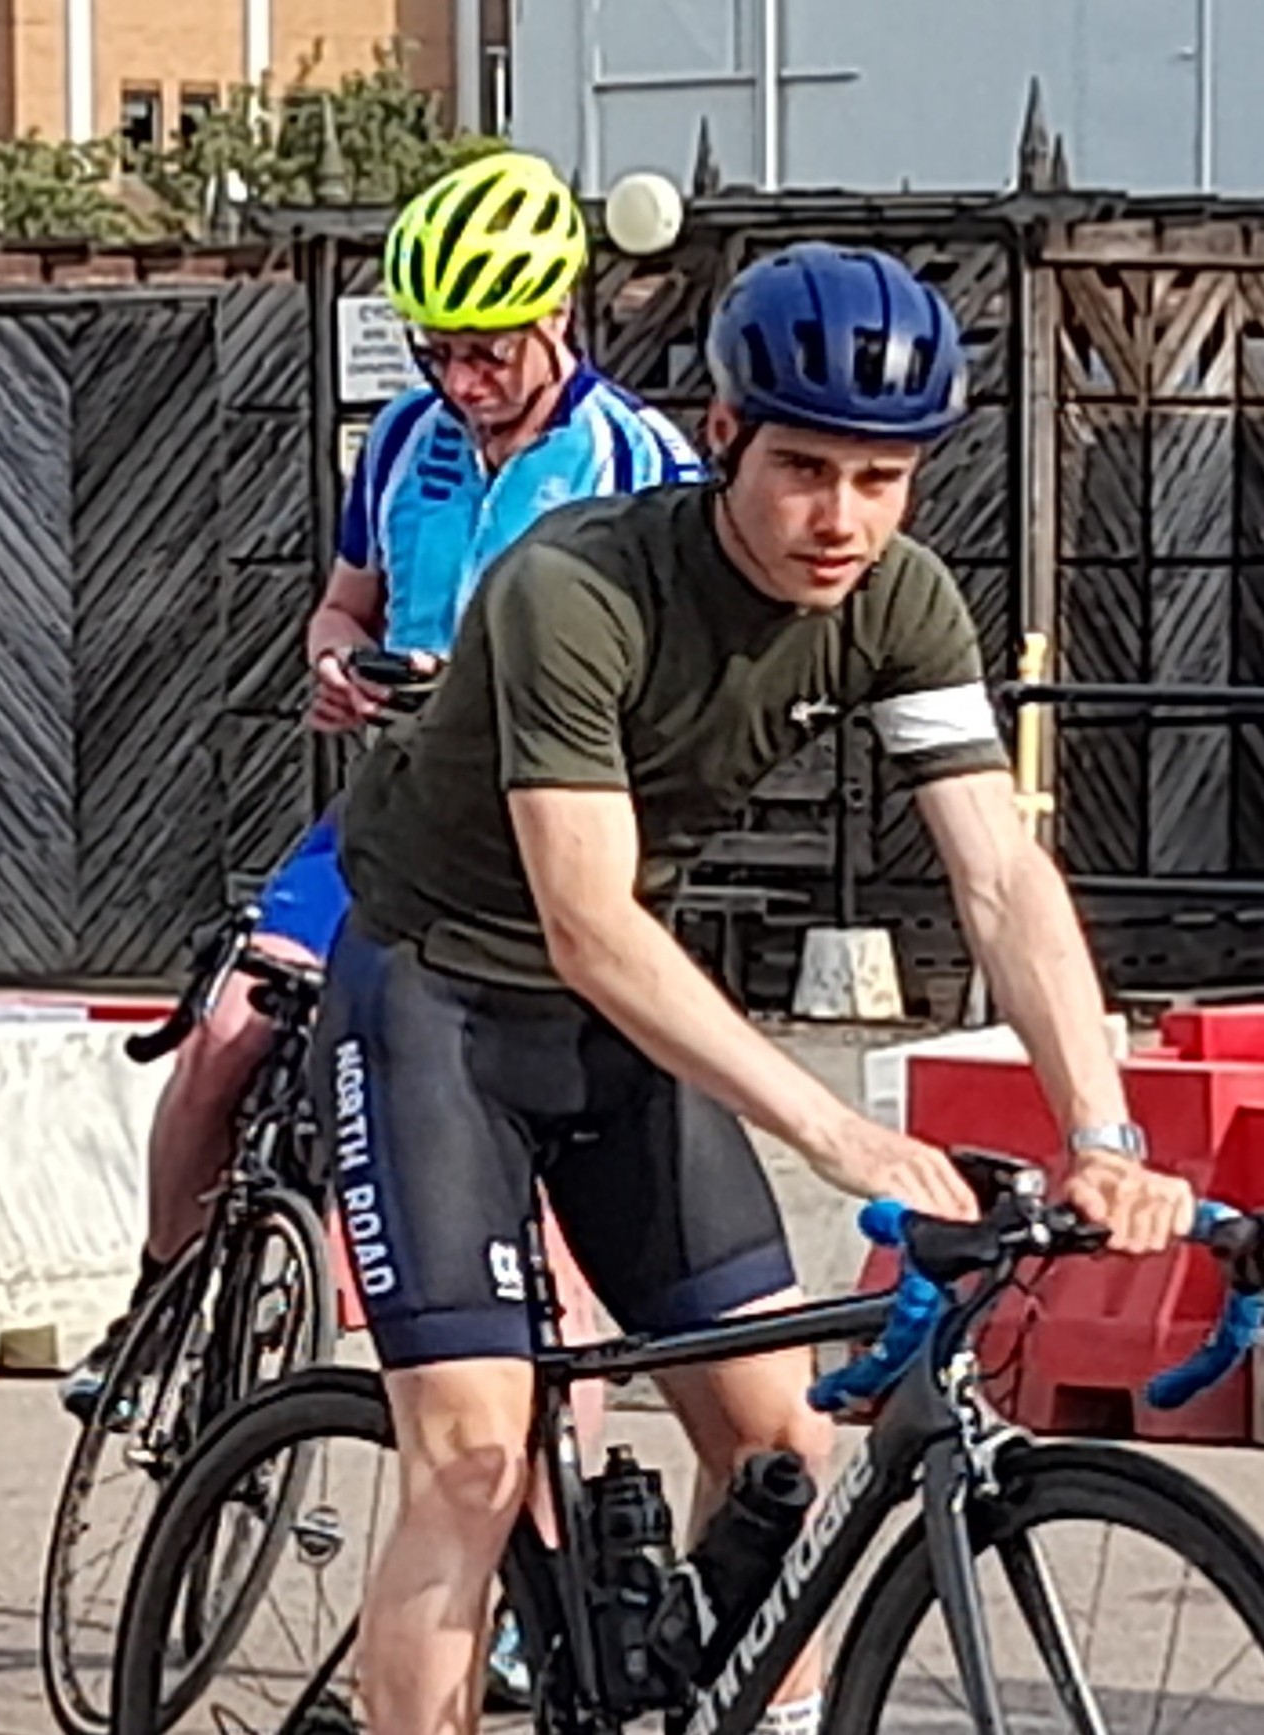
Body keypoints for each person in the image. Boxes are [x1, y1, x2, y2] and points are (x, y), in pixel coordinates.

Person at [316, 239, 1197, 1735]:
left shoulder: (898, 602)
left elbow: (995, 875)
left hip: (617, 1023)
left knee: (779, 1438)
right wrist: (834, 1133)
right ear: (719, 435)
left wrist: (1103, 1135)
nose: (838, 518)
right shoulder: (574, 584)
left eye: (880, 476)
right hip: (437, 993)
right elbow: (583, 920)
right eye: (802, 468)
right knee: (470, 1454)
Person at [64, 149, 704, 1415]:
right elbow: (338, 608)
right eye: (435, 352)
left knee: (528, 1212)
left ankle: (551, 1534)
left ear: (556, 315)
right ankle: (155, 1302)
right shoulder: (407, 437)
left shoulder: (637, 465)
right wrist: (343, 667)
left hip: (544, 844)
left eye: (488, 354)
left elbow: (675, 700)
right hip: (384, 814)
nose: (461, 383)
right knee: (223, 1036)